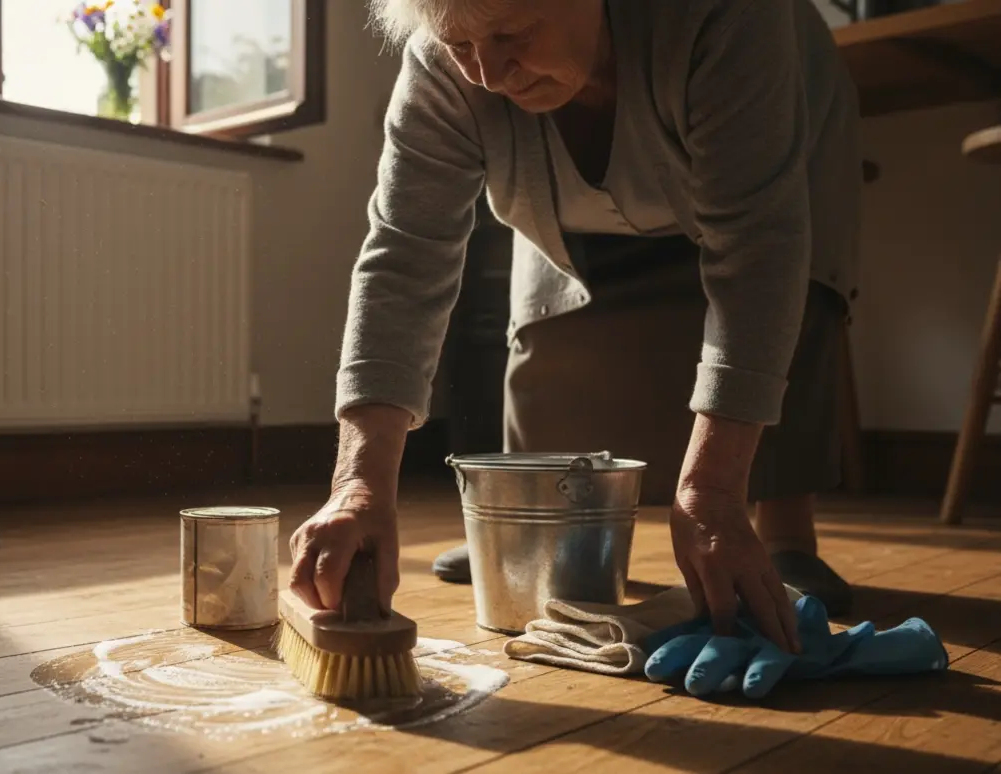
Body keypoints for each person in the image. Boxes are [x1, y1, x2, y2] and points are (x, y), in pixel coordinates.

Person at [287, 0, 864, 654]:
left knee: (795, 283)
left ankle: (785, 531)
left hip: (775, 168)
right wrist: (359, 483)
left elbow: (759, 255)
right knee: (553, 358)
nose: (489, 73)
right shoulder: (441, 68)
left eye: (512, 34)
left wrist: (712, 488)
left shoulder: (729, 17)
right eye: (461, 44)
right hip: (571, 207)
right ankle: (518, 538)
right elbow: (404, 256)